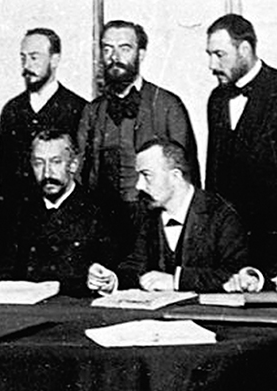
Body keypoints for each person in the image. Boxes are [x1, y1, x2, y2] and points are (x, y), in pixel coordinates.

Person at [78, 20, 198, 254]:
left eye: (125, 48)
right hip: (104, 226)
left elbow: (187, 176)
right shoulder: (91, 111)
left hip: (154, 226)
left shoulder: (168, 106)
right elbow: (81, 175)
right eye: (107, 49)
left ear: (141, 54)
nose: (115, 57)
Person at [88, 139, 247, 294]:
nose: (138, 185)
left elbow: (237, 275)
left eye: (146, 175)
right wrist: (111, 280)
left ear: (175, 176)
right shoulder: (147, 214)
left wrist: (176, 281)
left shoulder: (221, 215)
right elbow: (136, 265)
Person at [0, 130, 116, 296]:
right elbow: (2, 272)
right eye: (39, 163)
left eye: (56, 162)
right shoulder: (20, 211)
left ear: (73, 165)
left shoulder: (98, 211)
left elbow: (109, 273)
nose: (47, 173)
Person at [205, 14, 277, 271]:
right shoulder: (216, 99)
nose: (212, 65)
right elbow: (213, 173)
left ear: (244, 49)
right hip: (230, 244)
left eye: (219, 54)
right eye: (209, 55)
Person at [0, 28, 86, 211]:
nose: (27, 66)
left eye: (34, 58)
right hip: (21, 215)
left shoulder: (79, 108)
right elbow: (4, 170)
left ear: (55, 60)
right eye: (23, 58)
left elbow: (85, 171)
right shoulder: (12, 109)